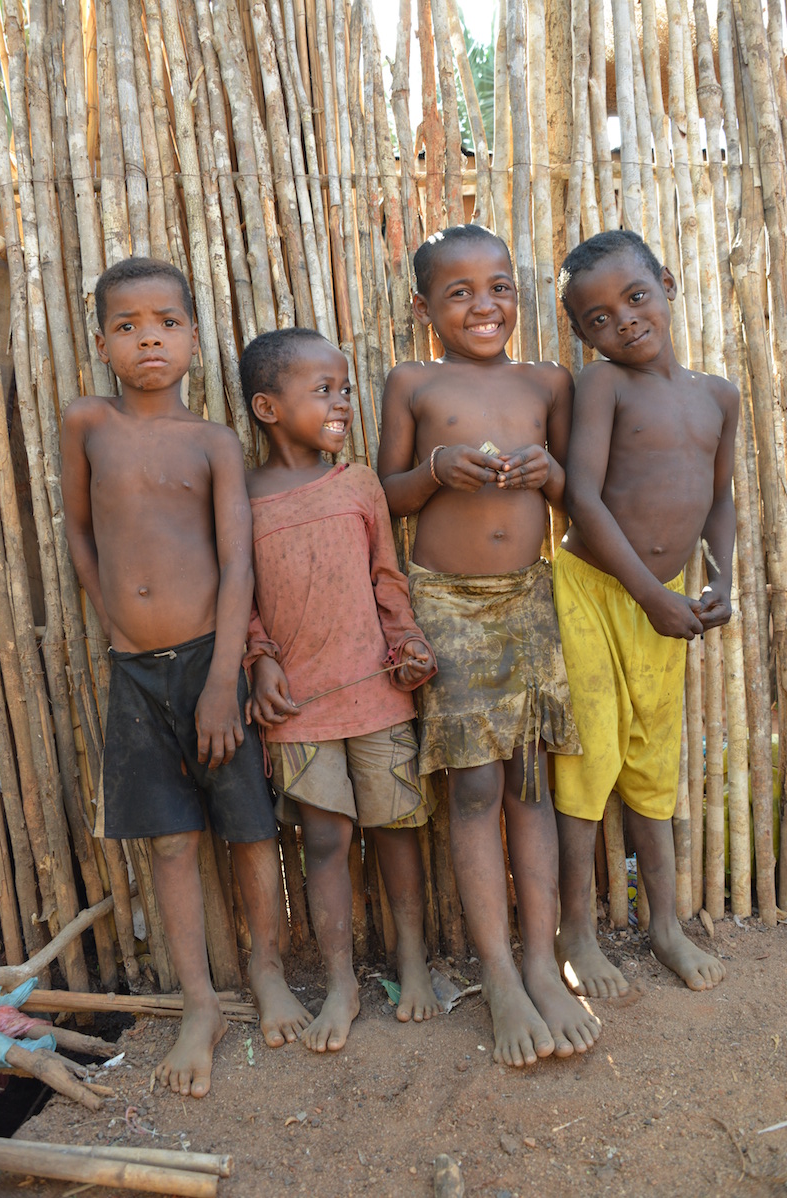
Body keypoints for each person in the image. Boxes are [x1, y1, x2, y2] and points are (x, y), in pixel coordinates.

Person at [62, 257, 310, 1099]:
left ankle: (268, 973)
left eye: (165, 322)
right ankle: (200, 1001)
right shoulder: (86, 422)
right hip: (133, 669)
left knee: (248, 830)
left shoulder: (212, 444)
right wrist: (113, 618)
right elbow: (78, 529)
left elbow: (238, 562)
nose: (148, 340)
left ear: (194, 340)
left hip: (210, 663)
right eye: (127, 327)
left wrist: (220, 683)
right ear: (102, 343)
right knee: (170, 841)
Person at [378, 224, 599, 1069]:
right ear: (424, 306)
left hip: (528, 600)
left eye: (499, 287)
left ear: (520, 292)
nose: (483, 305)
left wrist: (549, 475)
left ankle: (543, 963)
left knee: (531, 780)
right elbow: (386, 496)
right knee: (474, 785)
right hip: (445, 605)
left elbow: (580, 502)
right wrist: (435, 469)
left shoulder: (549, 381)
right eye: (460, 291)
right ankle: (499, 975)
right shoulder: (413, 383)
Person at [240, 326, 442, 1054]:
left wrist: (408, 643)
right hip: (298, 707)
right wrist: (259, 658)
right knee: (324, 840)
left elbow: (387, 578)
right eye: (322, 391)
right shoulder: (242, 497)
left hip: (377, 692)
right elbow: (242, 597)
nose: (342, 402)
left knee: (395, 828)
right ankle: (341, 981)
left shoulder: (358, 484)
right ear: (268, 407)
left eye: (346, 388)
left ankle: (414, 963)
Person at [554, 229, 738, 997]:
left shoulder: (719, 395)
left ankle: (664, 926)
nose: (622, 321)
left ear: (665, 282)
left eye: (635, 297)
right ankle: (578, 936)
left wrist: (721, 577)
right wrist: (648, 593)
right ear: (582, 334)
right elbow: (580, 496)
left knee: (653, 763)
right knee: (588, 759)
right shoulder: (604, 387)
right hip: (597, 594)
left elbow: (720, 498)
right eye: (597, 317)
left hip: (664, 607)